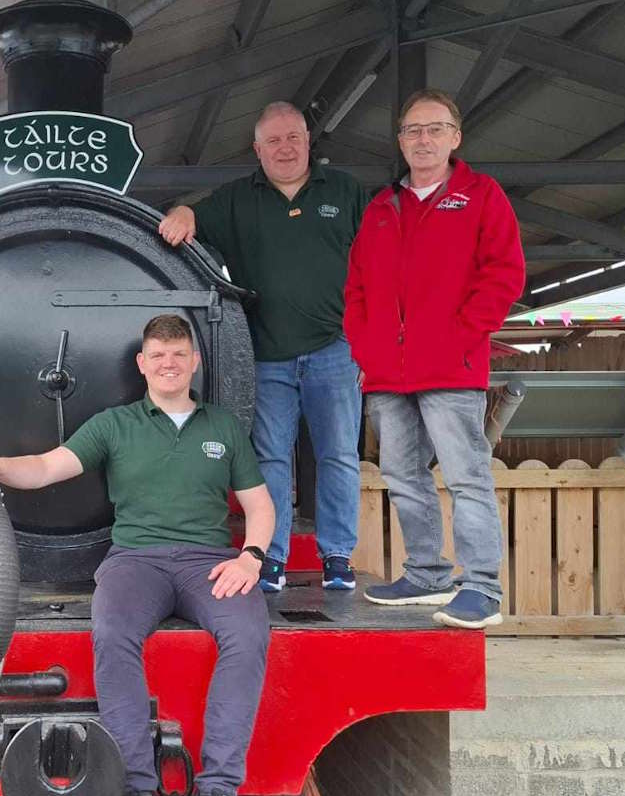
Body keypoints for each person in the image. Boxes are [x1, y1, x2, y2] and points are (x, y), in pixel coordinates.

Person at [0, 314, 275, 796]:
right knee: (111, 632)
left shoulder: (222, 426)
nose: (169, 363)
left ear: (194, 361)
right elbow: (50, 466)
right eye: (158, 354)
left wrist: (251, 556)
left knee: (249, 632)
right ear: (142, 364)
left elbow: (258, 504)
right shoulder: (115, 425)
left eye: (179, 353)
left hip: (208, 563)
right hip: (136, 562)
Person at [158, 101, 369, 594]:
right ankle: (269, 556)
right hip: (265, 354)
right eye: (273, 140)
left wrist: (369, 341)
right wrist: (183, 213)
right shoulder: (235, 199)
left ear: (309, 142)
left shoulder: (345, 192)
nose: (285, 147)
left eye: (293, 137)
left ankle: (337, 556)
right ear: (257, 149)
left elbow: (378, 267)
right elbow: (191, 215)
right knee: (270, 458)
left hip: (335, 350)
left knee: (338, 455)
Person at [343, 88, 524, 629]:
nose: (423, 139)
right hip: (387, 373)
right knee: (402, 475)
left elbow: (504, 273)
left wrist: (461, 336)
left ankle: (482, 586)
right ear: (400, 141)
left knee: (466, 476)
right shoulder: (381, 208)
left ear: (455, 136)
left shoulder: (481, 195)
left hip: (450, 367)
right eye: (412, 131)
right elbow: (355, 288)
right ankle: (425, 573)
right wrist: (366, 345)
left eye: (434, 128)